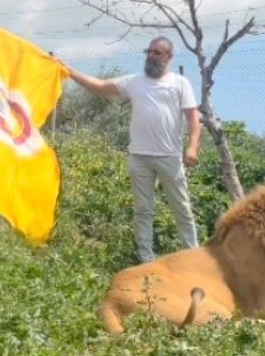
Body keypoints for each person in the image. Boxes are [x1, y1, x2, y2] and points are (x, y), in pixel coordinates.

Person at [67, 36, 201, 263]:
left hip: (169, 157)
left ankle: (193, 256)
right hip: (139, 157)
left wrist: (193, 147)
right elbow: (98, 86)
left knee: (182, 209)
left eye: (156, 53)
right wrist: (67, 71)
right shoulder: (134, 81)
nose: (151, 56)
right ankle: (146, 259)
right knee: (143, 210)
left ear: (169, 57)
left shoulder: (180, 83)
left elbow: (193, 117)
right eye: (148, 51)